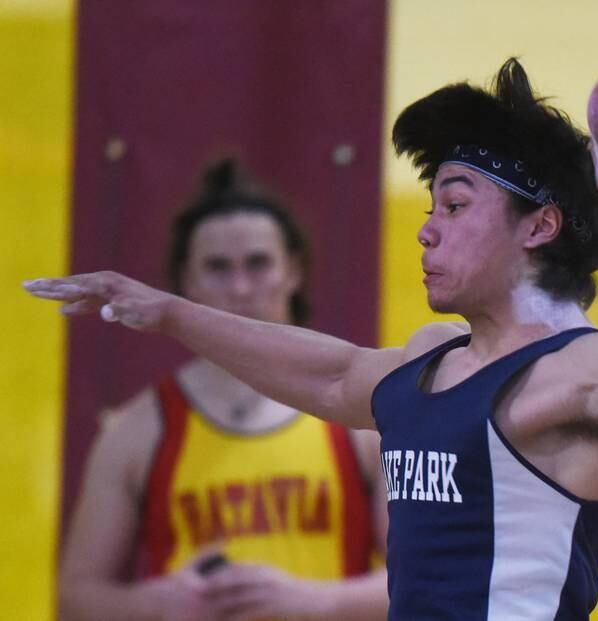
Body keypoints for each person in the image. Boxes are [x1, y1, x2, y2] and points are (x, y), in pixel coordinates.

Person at [27, 59, 598, 621]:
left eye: (454, 205)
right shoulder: (432, 356)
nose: (427, 229)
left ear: (539, 227)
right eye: (431, 207)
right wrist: (170, 312)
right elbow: (333, 376)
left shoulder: (583, 368)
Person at [55, 158, 389, 621]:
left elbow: (426, 578)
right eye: (217, 267)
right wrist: (152, 604)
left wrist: (313, 601)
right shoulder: (138, 430)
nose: (240, 286)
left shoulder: (362, 421)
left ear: (293, 270)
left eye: (258, 263)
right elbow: (75, 598)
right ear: (185, 282)